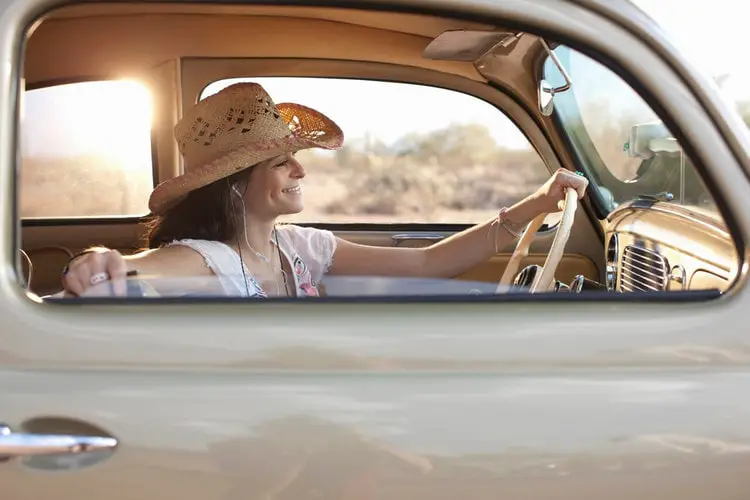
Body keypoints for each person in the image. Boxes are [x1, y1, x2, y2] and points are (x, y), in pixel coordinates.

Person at [58, 82, 588, 298]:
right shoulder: (204, 259)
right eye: (283, 163)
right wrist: (100, 260)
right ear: (236, 185)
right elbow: (137, 267)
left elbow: (428, 265)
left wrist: (535, 205)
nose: (300, 172)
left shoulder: (298, 248)